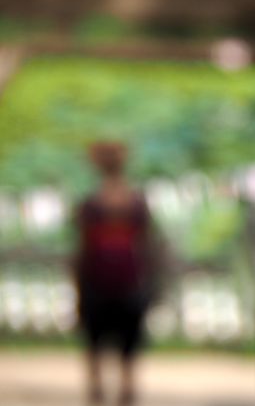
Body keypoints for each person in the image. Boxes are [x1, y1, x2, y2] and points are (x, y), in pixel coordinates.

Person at [72, 141, 161, 405]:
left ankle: (98, 388)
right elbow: (148, 245)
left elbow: (82, 246)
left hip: (99, 277)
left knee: (95, 341)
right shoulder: (134, 202)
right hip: (128, 278)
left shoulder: (91, 204)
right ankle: (126, 388)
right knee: (127, 344)